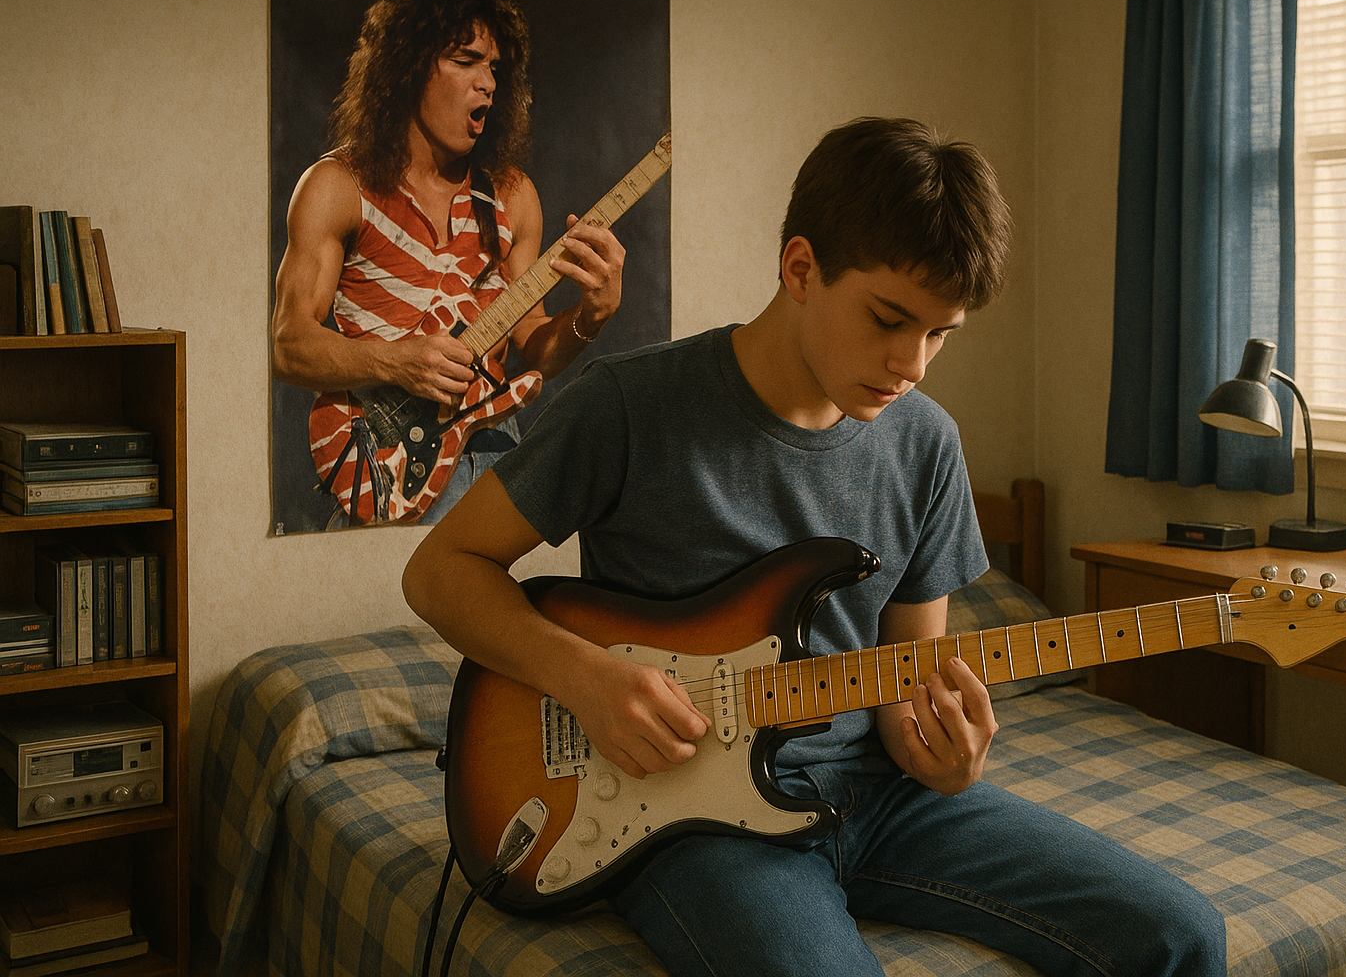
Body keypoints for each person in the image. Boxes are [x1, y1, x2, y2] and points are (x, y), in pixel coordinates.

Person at [402, 117, 1225, 976]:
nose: (913, 363)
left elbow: (905, 689)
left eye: (940, 333)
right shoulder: (629, 406)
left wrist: (943, 760)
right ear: (800, 268)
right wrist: (586, 678)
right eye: (889, 319)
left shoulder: (927, 445)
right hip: (691, 816)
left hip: (882, 799)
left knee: (1184, 936)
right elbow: (440, 571)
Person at [271, 0, 624, 525]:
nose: (488, 83)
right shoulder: (338, 187)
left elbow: (535, 348)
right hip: (389, 464)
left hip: (498, 455)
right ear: (408, 66)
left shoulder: (512, 197)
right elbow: (289, 345)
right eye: (465, 61)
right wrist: (396, 362)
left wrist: (592, 315)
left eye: (494, 68)